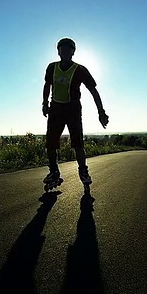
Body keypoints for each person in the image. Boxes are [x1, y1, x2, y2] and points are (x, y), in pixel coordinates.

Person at [42, 37, 109, 190]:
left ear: (73, 52)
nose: (64, 51)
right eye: (62, 48)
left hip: (73, 110)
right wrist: (45, 103)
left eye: (68, 49)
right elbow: (47, 85)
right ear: (58, 51)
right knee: (51, 144)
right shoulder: (51, 67)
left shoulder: (80, 70)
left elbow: (93, 91)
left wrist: (101, 112)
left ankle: (83, 172)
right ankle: (54, 172)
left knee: (77, 144)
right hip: (56, 110)